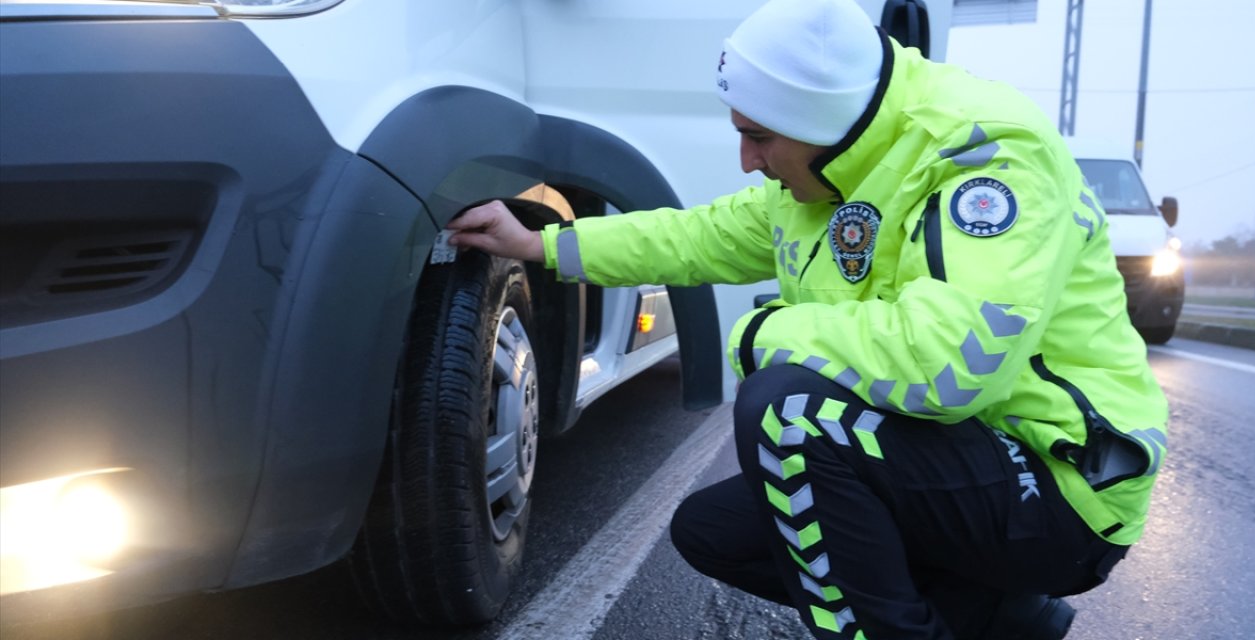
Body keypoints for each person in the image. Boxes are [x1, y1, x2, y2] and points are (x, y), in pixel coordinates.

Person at [446, 0, 1167, 637]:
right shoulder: (829, 164)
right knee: (715, 532)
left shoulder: (984, 161)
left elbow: (954, 366)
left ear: (818, 121)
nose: (746, 159)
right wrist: (541, 244)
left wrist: (763, 337)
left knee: (788, 413)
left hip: (1059, 481)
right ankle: (1002, 616)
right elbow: (697, 236)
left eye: (759, 137)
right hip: (963, 458)